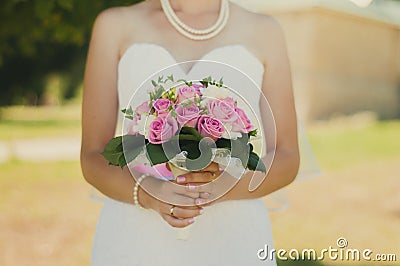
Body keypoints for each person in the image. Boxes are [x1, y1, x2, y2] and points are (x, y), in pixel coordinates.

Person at [81, 0, 299, 265]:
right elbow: (93, 156)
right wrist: (150, 193)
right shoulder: (114, 25)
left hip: (233, 238)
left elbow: (287, 157)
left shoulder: (264, 30)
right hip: (136, 237)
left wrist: (217, 188)